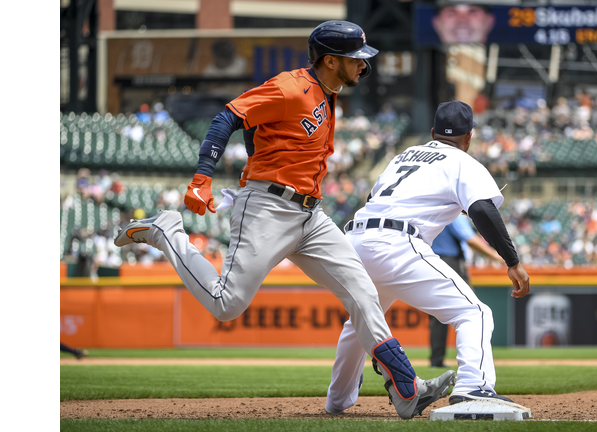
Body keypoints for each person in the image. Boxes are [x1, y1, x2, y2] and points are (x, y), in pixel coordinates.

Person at [113, 20, 454, 420]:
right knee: (227, 305)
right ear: (330, 61)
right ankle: (167, 231)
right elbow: (229, 116)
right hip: (267, 209)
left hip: (311, 215)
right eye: (355, 59)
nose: (364, 66)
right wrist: (202, 176)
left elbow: (261, 133)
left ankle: (406, 389)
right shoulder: (289, 87)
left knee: (364, 294)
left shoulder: (328, 93)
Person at [325, 100, 531, 415]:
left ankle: (337, 400)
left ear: (433, 132)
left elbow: (373, 198)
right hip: (395, 243)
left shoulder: (402, 156)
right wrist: (512, 261)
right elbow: (482, 210)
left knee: (363, 321)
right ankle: (473, 386)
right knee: (474, 312)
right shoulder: (462, 161)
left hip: (354, 239)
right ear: (470, 136)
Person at [428, 215, 505, 368]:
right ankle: (473, 361)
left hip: (434, 260)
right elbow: (469, 238)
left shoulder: (435, 209)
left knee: (438, 314)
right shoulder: (452, 213)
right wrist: (499, 256)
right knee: (474, 310)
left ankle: (437, 360)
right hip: (450, 262)